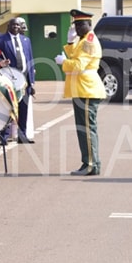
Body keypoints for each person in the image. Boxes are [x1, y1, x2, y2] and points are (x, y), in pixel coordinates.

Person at [55, 9, 106, 176]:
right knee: (83, 128)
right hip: (82, 88)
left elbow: (78, 65)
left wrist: (64, 62)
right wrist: (70, 43)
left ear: (89, 25)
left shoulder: (89, 41)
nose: (77, 27)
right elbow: (76, 55)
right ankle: (89, 163)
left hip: (87, 89)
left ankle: (91, 164)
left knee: (86, 129)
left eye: (80, 24)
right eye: (75, 24)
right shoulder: (83, 40)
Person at [0, 17, 36, 144]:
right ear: (9, 26)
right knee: (7, 107)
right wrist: (1, 63)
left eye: (18, 25)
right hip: (9, 78)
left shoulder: (26, 40)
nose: (16, 27)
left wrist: (32, 82)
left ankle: (22, 135)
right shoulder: (1, 40)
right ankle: (4, 136)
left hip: (24, 80)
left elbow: (30, 60)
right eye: (13, 25)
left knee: (24, 108)